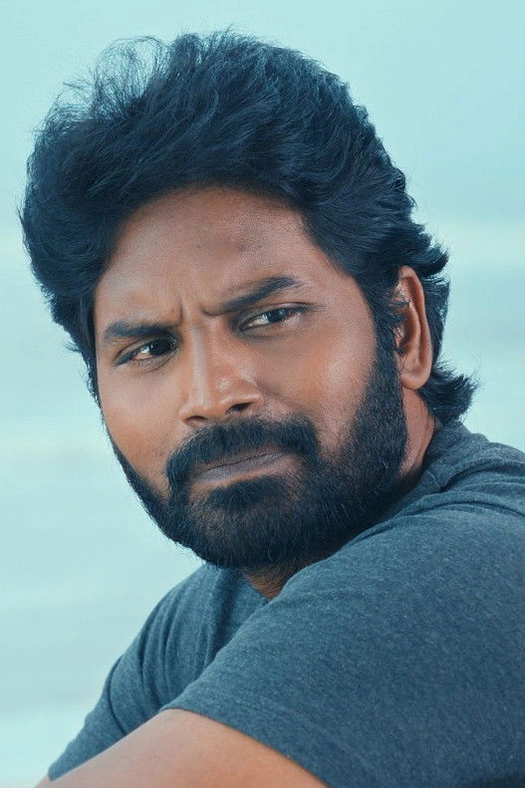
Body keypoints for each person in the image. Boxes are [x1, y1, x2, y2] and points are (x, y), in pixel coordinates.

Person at [22, 31, 524, 788]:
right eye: (150, 348)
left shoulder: (480, 569)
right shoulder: (202, 623)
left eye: (270, 317)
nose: (211, 395)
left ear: (403, 329)